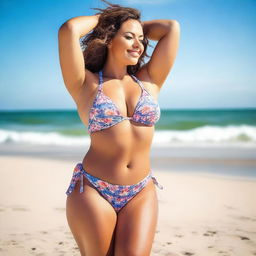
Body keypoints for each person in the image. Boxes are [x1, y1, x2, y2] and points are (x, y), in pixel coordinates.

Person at [58, 0, 180, 255]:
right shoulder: (84, 84)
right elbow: (69, 29)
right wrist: (110, 22)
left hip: (141, 190)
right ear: (109, 38)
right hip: (93, 189)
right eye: (129, 37)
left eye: (142, 39)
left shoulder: (149, 81)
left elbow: (171, 28)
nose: (139, 44)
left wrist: (131, 25)